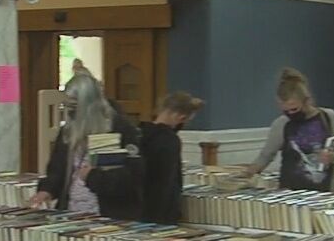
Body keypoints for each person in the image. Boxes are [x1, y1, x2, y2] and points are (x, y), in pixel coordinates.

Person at [28, 72, 144, 219]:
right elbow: (56, 171)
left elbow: (130, 179)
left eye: (74, 106)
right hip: (71, 213)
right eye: (67, 105)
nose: (69, 112)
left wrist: (92, 176)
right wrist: (46, 190)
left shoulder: (121, 130)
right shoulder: (68, 132)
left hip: (108, 215)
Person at [245, 68, 334, 191]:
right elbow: (266, 156)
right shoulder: (282, 123)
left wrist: (333, 157)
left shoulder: (329, 117)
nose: (290, 113)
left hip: (325, 191)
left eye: (294, 109)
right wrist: (248, 173)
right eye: (286, 110)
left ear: (307, 101)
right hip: (290, 191)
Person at [140, 92, 204, 225]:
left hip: (139, 203)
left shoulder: (140, 132)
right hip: (161, 209)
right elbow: (167, 181)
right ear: (179, 117)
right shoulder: (169, 140)